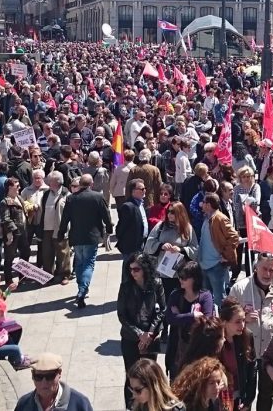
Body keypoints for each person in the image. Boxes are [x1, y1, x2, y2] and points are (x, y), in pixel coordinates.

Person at [229, 253, 273, 410]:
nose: (268, 274)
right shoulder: (239, 289)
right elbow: (225, 318)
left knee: (266, 395)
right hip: (244, 353)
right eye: (264, 269)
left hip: (270, 353)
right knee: (244, 396)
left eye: (272, 270)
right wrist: (242, 318)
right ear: (256, 267)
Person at [56, 173, 113, 309]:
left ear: (80, 184)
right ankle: (82, 290)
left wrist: (61, 233)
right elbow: (106, 215)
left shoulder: (71, 199)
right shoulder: (97, 197)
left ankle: (81, 287)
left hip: (76, 236)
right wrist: (109, 229)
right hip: (92, 237)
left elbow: (65, 219)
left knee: (80, 262)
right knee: (88, 263)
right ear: (91, 184)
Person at [118, 252, 166, 409]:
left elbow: (161, 310)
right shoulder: (126, 287)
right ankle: (131, 407)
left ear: (145, 268)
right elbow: (122, 315)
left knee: (149, 374)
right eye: (131, 269)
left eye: (136, 269)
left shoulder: (156, 283)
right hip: (131, 338)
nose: (133, 273)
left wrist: (150, 333)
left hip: (151, 337)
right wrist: (139, 334)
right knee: (131, 375)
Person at [12, 353, 94, 411]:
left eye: (49, 376)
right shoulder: (23, 404)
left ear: (59, 374)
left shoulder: (80, 404)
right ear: (32, 375)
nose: (44, 382)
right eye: (39, 377)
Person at [199, 193, 239, 306]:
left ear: (209, 205)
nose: (201, 204)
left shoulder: (220, 218)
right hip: (205, 265)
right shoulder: (207, 218)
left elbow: (234, 237)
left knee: (219, 298)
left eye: (204, 202)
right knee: (206, 298)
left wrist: (225, 256)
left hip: (216, 265)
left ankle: (223, 322)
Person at [118, 179, 151, 277]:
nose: (144, 190)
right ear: (133, 191)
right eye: (141, 189)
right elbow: (120, 228)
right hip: (131, 246)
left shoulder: (141, 204)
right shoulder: (128, 207)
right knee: (129, 274)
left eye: (144, 188)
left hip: (142, 244)